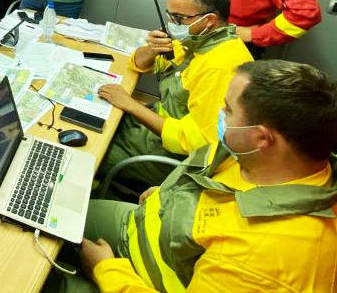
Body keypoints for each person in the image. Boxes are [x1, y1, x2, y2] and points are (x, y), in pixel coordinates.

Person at [47, 59, 337, 293]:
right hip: (148, 225)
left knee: (29, 273)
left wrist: (105, 270)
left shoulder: (266, 258)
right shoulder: (264, 159)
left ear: (261, 138)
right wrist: (164, 192)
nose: (219, 115)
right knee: (50, 204)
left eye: (228, 109)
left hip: (135, 277)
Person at [96, 0, 252, 186]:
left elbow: (193, 142)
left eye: (179, 18)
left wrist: (130, 105)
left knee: (94, 151)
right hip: (158, 123)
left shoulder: (220, 66)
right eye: (169, 16)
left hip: (174, 156)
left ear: (209, 20)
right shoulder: (198, 40)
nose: (172, 25)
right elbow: (139, 63)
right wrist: (152, 49)